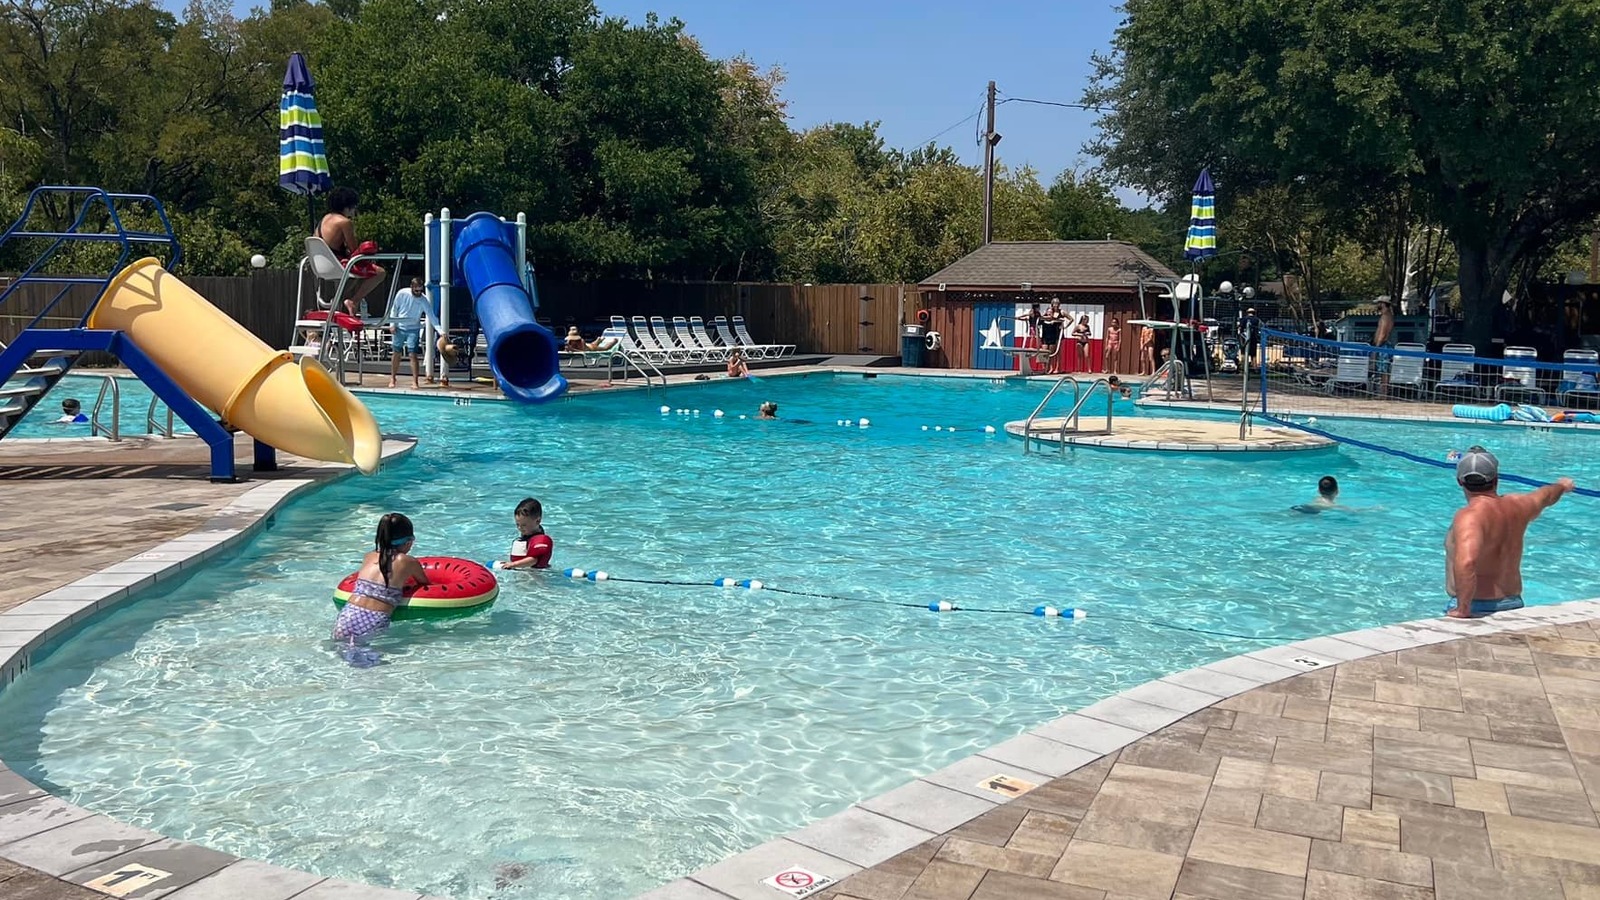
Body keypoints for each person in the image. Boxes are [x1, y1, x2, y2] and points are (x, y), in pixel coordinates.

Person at [1444, 446, 1574, 618]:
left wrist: (1463, 608)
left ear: (1460, 481)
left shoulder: (1469, 517)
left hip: (1476, 607)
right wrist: (1562, 486)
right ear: (1496, 479)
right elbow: (1546, 495)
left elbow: (1467, 562)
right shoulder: (1519, 505)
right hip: (1512, 602)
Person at [332, 513, 430, 664]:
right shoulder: (407, 561)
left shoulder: (368, 556)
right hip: (373, 620)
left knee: (346, 656)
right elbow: (425, 584)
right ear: (408, 542)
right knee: (368, 666)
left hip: (347, 616)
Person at [316, 186, 386, 317]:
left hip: (320, 265)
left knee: (355, 273)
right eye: (354, 207)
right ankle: (353, 301)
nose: (355, 211)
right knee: (380, 273)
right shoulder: (345, 222)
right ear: (348, 206)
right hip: (337, 265)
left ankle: (342, 298)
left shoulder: (324, 220)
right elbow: (355, 251)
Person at [385, 277, 448, 389]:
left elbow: (431, 316)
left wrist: (440, 331)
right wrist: (392, 324)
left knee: (412, 354)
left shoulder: (423, 300)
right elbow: (394, 308)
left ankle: (415, 381)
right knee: (396, 353)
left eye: (420, 290)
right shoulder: (402, 293)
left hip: (413, 328)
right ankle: (393, 378)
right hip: (400, 326)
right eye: (416, 291)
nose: (418, 293)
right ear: (411, 288)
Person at [502, 497, 553, 570]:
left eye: (524, 525)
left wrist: (513, 564)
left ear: (538, 521)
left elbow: (533, 560)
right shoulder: (528, 533)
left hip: (538, 576)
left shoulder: (540, 540)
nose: (520, 528)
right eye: (517, 524)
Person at [1372, 297, 1397, 397]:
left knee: (1384, 371)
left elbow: (1382, 333)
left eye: (1379, 303)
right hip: (1383, 345)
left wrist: (1376, 347)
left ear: (1383, 304)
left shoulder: (1385, 317)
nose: (1377, 305)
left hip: (1383, 346)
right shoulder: (1387, 316)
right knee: (1383, 371)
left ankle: (1384, 393)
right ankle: (1383, 392)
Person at [1040, 299, 1065, 373]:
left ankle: (1052, 368)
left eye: (1051, 312)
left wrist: (1063, 326)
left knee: (1052, 353)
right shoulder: (1043, 318)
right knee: (1044, 353)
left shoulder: (1056, 318)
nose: (1055, 305)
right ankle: (1044, 368)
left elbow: (1062, 320)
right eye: (1048, 312)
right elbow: (1037, 320)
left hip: (1053, 337)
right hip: (1045, 337)